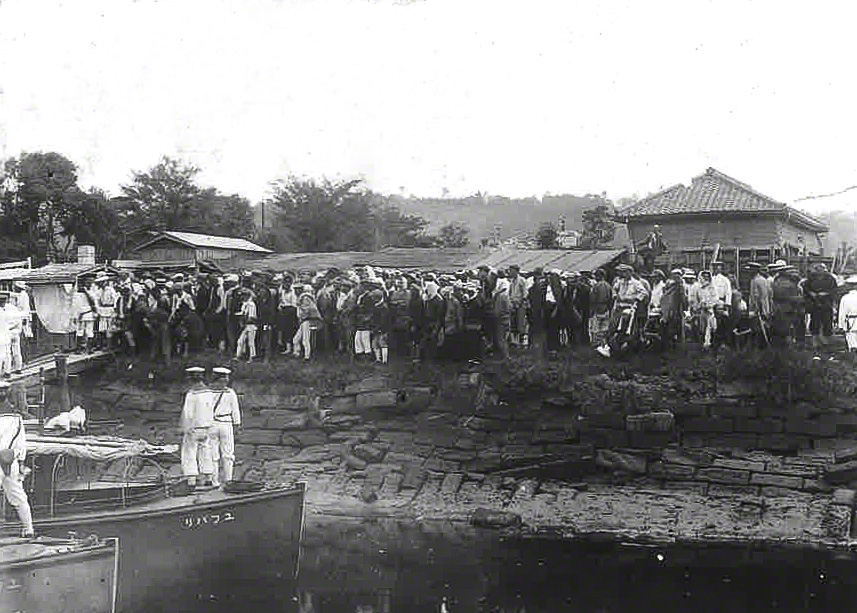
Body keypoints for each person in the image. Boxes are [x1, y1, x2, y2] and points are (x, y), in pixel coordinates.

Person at [0, 381, 34, 537]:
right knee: (19, 496)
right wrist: (21, 463)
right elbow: (21, 444)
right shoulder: (17, 418)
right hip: (11, 461)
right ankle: (28, 530)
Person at [180, 366, 214, 489]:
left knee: (189, 452)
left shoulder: (192, 394)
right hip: (206, 427)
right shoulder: (210, 392)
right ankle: (209, 478)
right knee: (205, 451)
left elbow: (188, 413)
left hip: (194, 427)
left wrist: (185, 428)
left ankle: (191, 480)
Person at [208, 367, 241, 487]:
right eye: (225, 378)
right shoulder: (230, 392)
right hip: (226, 423)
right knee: (228, 454)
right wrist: (237, 425)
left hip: (211, 423)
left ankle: (214, 481)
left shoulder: (207, 392)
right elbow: (235, 410)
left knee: (213, 454)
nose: (226, 380)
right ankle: (228, 480)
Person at [803, 262, 838, 351]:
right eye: (818, 269)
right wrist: (812, 294)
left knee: (827, 322)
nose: (820, 271)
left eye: (821, 269)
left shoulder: (830, 278)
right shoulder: (810, 278)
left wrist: (826, 293)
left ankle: (826, 341)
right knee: (815, 322)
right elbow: (805, 288)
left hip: (826, 304)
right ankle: (815, 341)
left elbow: (834, 290)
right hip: (815, 304)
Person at [588, 269, 612, 348]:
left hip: (597, 308)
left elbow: (592, 299)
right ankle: (603, 344)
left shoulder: (597, 286)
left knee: (595, 328)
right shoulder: (608, 285)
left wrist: (592, 309)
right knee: (604, 328)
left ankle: (597, 345)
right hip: (606, 308)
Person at [508, 265, 528, 347]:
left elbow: (525, 293)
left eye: (512, 271)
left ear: (516, 271)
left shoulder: (522, 280)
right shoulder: (512, 281)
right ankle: (514, 341)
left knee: (521, 323)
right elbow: (510, 293)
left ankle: (522, 342)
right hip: (513, 304)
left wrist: (521, 302)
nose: (510, 272)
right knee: (513, 323)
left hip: (520, 305)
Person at [235, 289, 258, 363]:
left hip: (251, 325)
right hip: (246, 325)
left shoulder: (251, 304)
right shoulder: (244, 304)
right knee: (240, 341)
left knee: (251, 342)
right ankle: (238, 355)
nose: (242, 297)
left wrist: (243, 320)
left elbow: (251, 317)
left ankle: (252, 357)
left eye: (244, 295)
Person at [492, 277, 512, 360]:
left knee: (501, 339)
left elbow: (497, 311)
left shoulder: (500, 296)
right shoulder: (506, 296)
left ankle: (506, 357)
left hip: (501, 320)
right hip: (507, 319)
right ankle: (506, 356)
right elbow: (510, 307)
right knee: (504, 338)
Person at [838, 276, 857, 352]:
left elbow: (842, 313)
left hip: (850, 323)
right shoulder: (845, 297)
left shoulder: (845, 298)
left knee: (852, 345)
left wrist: (841, 325)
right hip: (851, 322)